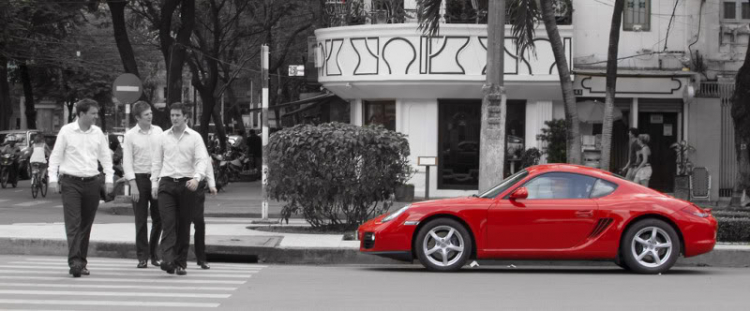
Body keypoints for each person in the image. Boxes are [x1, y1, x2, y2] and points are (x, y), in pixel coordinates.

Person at [48, 98, 114, 278]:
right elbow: (55, 156)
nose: (96, 116)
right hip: (71, 183)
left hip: (92, 183)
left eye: (96, 113)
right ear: (82, 113)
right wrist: (52, 178)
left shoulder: (98, 133)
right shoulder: (66, 131)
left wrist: (109, 179)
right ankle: (75, 262)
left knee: (86, 224)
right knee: (73, 224)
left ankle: (81, 262)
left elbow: (105, 158)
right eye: (92, 113)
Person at [151, 103, 209, 276]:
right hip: (167, 183)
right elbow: (156, 162)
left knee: (183, 225)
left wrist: (197, 178)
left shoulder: (195, 137)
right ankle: (167, 259)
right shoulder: (163, 137)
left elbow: (202, 160)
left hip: (187, 184)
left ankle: (180, 262)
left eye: (177, 115)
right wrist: (155, 183)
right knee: (168, 222)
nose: (174, 118)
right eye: (172, 115)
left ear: (186, 117)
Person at [123, 101, 164, 269]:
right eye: (146, 115)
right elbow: (127, 161)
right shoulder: (130, 135)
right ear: (137, 118)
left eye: (150, 114)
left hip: (157, 178)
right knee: (140, 220)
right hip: (139, 179)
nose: (150, 117)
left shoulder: (159, 132)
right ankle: (142, 256)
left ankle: (154, 253)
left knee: (159, 219)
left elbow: (164, 155)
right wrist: (132, 184)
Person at [193, 141, 218, 270]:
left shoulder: (197, 142)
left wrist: (212, 184)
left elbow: (207, 164)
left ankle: (201, 258)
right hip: (180, 185)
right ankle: (176, 257)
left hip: (197, 187)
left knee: (199, 222)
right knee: (180, 224)